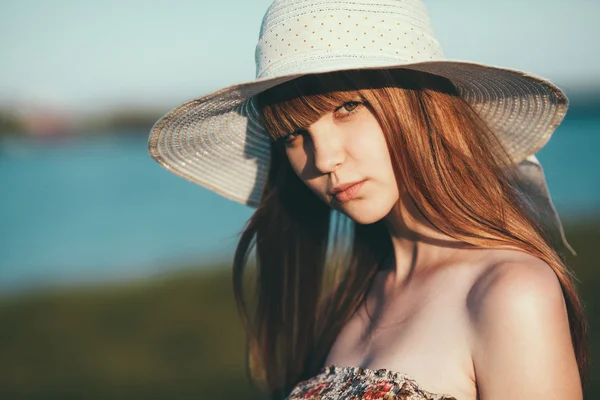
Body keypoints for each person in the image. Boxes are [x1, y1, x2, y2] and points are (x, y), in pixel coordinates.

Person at [148, 0, 589, 399]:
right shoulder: (346, 302)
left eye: (346, 108)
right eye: (293, 135)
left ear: (417, 103)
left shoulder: (508, 294)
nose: (324, 159)